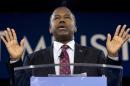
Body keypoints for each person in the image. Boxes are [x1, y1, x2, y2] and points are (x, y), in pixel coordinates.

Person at [1, 6, 130, 86]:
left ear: (75, 28)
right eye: (56, 18)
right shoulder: (34, 59)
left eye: (67, 17)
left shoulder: (95, 56)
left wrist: (112, 56)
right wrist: (16, 61)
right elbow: (20, 85)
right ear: (50, 29)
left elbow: (112, 84)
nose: (62, 20)